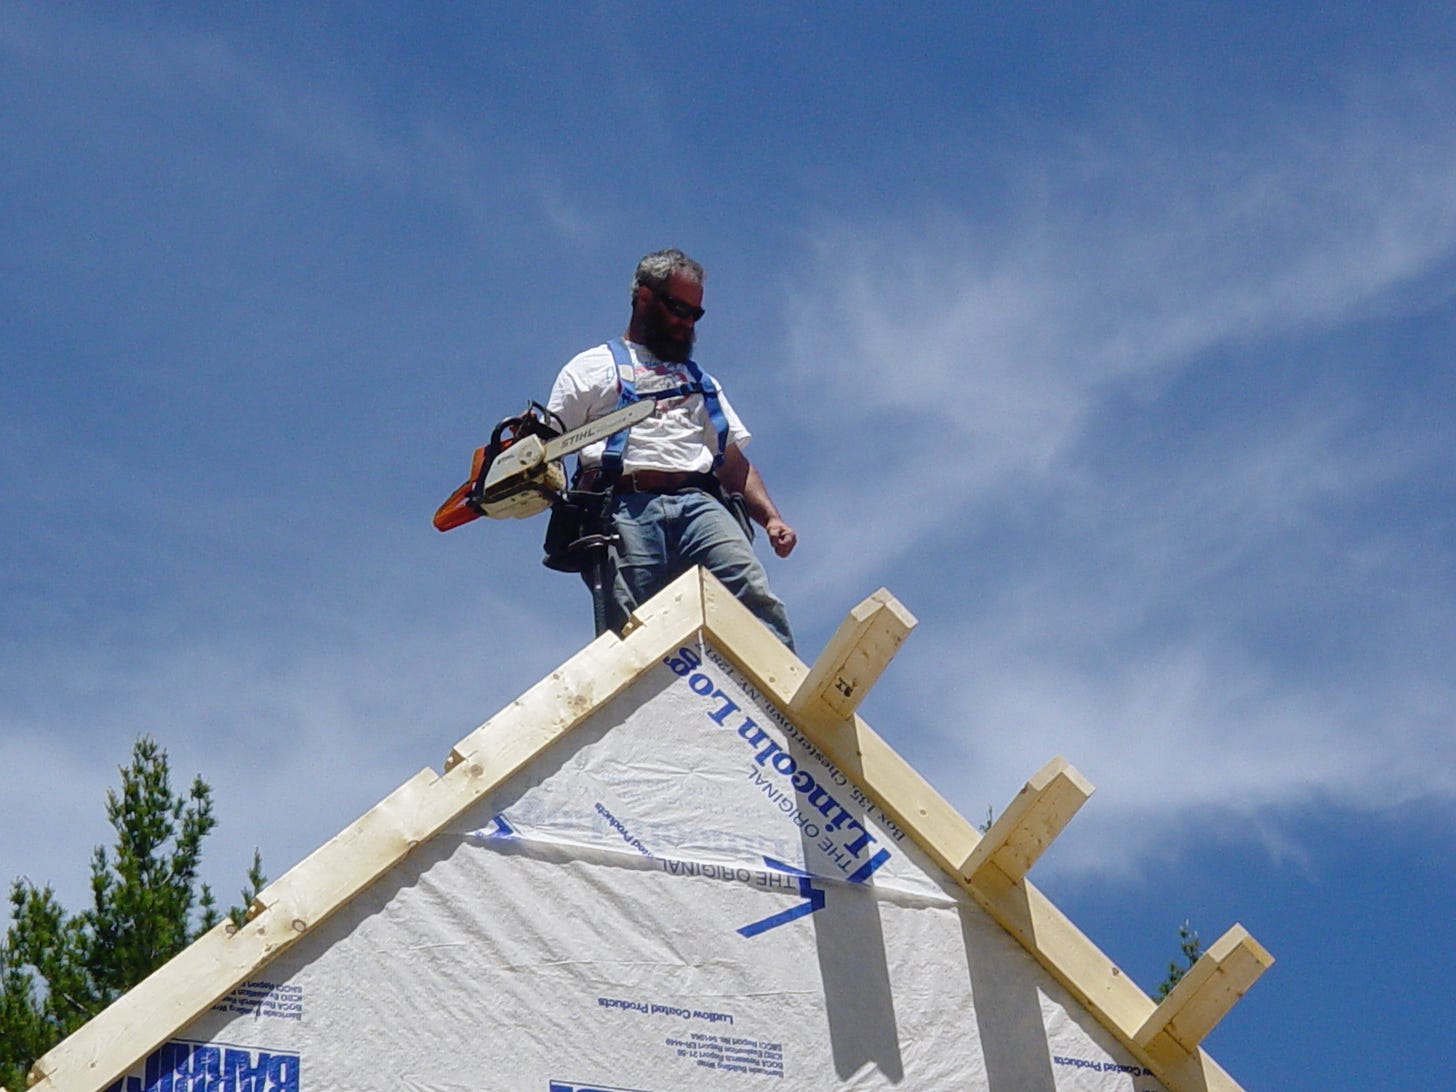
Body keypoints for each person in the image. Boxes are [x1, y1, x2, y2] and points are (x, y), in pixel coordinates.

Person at [545, 248, 796, 649]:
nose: (686, 323)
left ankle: (780, 683)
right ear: (644, 296)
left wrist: (771, 519)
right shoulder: (589, 368)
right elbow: (547, 447)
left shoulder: (700, 380)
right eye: (679, 309)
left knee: (749, 594)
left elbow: (732, 462)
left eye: (696, 314)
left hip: (698, 504)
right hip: (624, 507)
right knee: (632, 630)